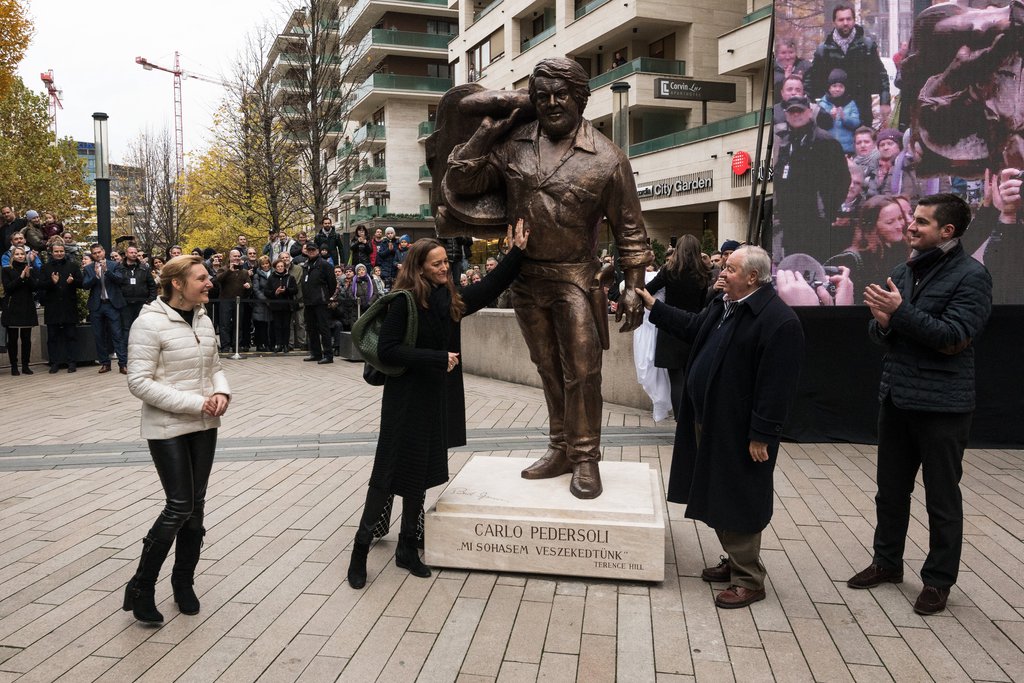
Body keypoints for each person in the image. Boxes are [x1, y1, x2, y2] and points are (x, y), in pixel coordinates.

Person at [446, 57, 652, 499]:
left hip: (576, 277)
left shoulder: (609, 159)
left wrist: (635, 286)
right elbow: (462, 181)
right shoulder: (514, 142)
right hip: (525, 278)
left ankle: (585, 457)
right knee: (548, 369)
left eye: (561, 94)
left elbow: (631, 232)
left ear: (580, 98)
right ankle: (560, 446)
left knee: (583, 370)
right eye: (542, 96)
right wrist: (490, 128)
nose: (552, 103)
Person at [346, 221, 529, 590]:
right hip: (404, 400)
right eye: (437, 264)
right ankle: (360, 551)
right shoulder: (404, 301)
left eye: (446, 262)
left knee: (420, 476)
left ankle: (408, 549)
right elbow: (388, 350)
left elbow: (490, 286)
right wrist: (436, 357)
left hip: (434, 398)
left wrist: (517, 253)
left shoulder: (451, 299)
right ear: (419, 268)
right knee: (386, 475)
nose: (445, 268)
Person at [847, 193, 993, 616]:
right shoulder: (903, 270)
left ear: (947, 231)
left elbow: (954, 337)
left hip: (943, 408)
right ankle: (887, 563)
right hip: (896, 398)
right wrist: (884, 324)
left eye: (922, 222)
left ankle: (937, 581)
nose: (911, 226)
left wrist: (900, 314)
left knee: (942, 499)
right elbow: (883, 337)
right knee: (890, 493)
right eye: (913, 218)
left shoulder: (972, 276)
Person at [636, 246, 804, 608]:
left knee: (739, 497)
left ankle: (749, 579)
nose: (720, 273)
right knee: (717, 492)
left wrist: (762, 435)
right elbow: (693, 327)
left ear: (753, 278)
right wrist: (654, 305)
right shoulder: (723, 304)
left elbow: (777, 387)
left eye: (729, 269)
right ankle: (735, 562)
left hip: (740, 431)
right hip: (708, 420)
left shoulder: (777, 321)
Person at [124, 254, 231, 624]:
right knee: (179, 506)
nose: (209, 283)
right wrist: (198, 403)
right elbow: (139, 382)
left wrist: (221, 394)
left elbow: (215, 367)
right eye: (201, 278)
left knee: (196, 507)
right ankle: (141, 586)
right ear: (177, 284)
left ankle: (183, 582)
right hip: (167, 427)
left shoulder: (202, 318)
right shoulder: (149, 323)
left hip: (203, 425)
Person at [772, 95, 850, 263]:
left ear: (809, 113)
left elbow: (843, 179)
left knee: (816, 267)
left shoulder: (826, 142)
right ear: (786, 115)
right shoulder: (785, 143)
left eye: (799, 111)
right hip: (790, 223)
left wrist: (828, 210)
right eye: (791, 112)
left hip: (817, 223)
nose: (796, 115)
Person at [643, 234, 710, 419]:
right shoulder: (704, 273)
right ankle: (694, 419)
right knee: (691, 377)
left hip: (670, 327)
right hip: (694, 327)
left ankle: (681, 423)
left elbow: (648, 290)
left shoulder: (669, 270)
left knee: (676, 380)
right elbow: (704, 302)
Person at [804, 2, 890, 129]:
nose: (845, 23)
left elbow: (881, 74)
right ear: (834, 22)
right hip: (831, 114)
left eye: (849, 19)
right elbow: (811, 79)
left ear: (854, 20)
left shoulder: (867, 46)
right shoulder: (824, 50)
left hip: (861, 111)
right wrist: (808, 105)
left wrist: (885, 101)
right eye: (841, 19)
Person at [825, 195, 908, 303]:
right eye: (890, 222)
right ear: (872, 226)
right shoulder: (850, 260)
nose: (899, 225)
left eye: (900, 218)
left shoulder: (898, 251)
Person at [83, 243, 128, 374]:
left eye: (99, 252)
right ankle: (105, 363)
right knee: (99, 335)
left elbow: (120, 280)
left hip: (112, 304)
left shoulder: (114, 265)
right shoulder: (89, 268)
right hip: (97, 305)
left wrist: (107, 271)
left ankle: (122, 364)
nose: (97, 255)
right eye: (95, 253)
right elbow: (85, 285)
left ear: (104, 251)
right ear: (92, 254)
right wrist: (95, 276)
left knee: (117, 334)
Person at [41, 242, 82, 373]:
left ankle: (72, 362)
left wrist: (73, 281)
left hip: (68, 306)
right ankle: (54, 363)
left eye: (61, 251)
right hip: (52, 307)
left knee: (71, 336)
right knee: (52, 337)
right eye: (56, 251)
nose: (59, 254)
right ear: (52, 253)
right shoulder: (46, 267)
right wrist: (51, 282)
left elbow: (82, 283)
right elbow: (39, 286)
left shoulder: (73, 266)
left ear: (65, 252)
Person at [2, 246, 39, 375]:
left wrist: (28, 276)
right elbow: (8, 288)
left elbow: (35, 288)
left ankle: (25, 365)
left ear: (25, 255)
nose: (20, 256)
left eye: (22, 254)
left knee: (26, 338)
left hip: (27, 306)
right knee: (12, 339)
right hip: (13, 307)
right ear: (12, 256)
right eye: (17, 254)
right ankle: (14, 366)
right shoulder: (7, 270)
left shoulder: (30, 269)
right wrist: (21, 277)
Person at [300, 241, 336, 364]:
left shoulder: (324, 264)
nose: (311, 252)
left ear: (318, 250)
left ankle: (328, 354)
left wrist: (326, 295)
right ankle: (315, 353)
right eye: (309, 250)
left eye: (313, 250)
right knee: (311, 328)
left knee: (323, 328)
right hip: (308, 301)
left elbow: (332, 283)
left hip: (320, 301)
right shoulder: (306, 264)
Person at [215, 249, 253, 353]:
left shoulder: (244, 272)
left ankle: (236, 345)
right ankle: (225, 347)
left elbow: (250, 284)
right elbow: (218, 280)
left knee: (238, 324)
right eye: (234, 256)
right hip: (225, 301)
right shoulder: (223, 269)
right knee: (225, 324)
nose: (236, 258)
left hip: (239, 301)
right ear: (230, 257)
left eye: (238, 256)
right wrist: (229, 271)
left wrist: (248, 286)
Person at [817, 69, 861, 156]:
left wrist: (844, 117)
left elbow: (856, 123)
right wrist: (830, 117)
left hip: (846, 149)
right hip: (826, 148)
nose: (837, 89)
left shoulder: (850, 103)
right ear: (829, 88)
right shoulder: (821, 104)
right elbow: (818, 124)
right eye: (834, 86)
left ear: (845, 88)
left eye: (841, 86)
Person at [119, 245, 158, 343]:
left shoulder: (144, 268)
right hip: (125, 303)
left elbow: (152, 285)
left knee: (141, 328)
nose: (133, 254)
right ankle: (126, 354)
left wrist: (151, 299)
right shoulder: (120, 268)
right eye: (131, 252)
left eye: (135, 253)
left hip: (142, 303)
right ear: (126, 254)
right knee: (126, 328)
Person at [265, 257, 298, 352]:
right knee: (277, 326)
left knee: (286, 326)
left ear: (284, 267)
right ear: (275, 267)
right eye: (278, 266)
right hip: (276, 306)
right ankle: (278, 344)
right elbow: (266, 291)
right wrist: (275, 292)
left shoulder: (290, 277)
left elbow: (295, 290)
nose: (280, 268)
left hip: (287, 305)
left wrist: (286, 290)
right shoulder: (271, 278)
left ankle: (285, 345)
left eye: (282, 266)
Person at [251, 255, 273, 352]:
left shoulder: (274, 273)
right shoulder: (257, 275)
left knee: (270, 325)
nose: (265, 265)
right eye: (263, 264)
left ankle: (270, 344)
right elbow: (256, 289)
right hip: (260, 303)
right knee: (260, 325)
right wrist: (265, 299)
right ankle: (260, 344)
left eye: (267, 263)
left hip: (272, 302)